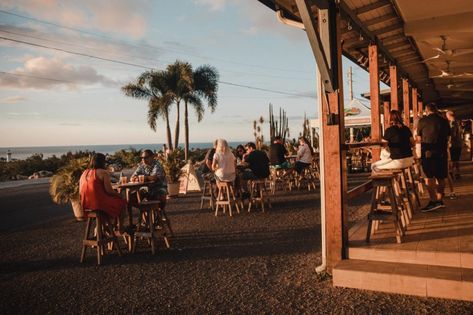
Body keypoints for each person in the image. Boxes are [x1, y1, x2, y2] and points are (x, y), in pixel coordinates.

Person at [79, 153, 127, 232]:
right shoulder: (103, 172)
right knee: (122, 202)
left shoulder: (84, 173)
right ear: (102, 162)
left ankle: (103, 227)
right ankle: (119, 228)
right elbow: (109, 191)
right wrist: (119, 195)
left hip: (86, 205)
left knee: (112, 202)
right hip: (98, 205)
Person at [417, 103, 451, 212]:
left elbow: (418, 138)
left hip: (428, 155)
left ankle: (433, 201)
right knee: (441, 177)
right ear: (436, 110)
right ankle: (440, 200)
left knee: (429, 178)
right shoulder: (444, 121)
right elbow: (448, 137)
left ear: (427, 110)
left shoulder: (422, 121)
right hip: (442, 153)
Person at [446, 110, 463, 179]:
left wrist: (447, 139)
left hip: (454, 144)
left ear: (449, 116)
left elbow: (453, 134)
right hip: (458, 143)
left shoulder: (453, 123)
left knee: (453, 159)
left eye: (447, 116)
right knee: (457, 159)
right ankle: (457, 173)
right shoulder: (457, 122)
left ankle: (452, 173)